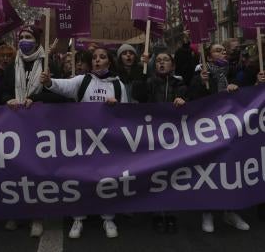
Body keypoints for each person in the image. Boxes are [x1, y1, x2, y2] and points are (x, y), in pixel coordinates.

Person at [40, 47, 127, 239]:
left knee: (108, 179)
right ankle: (78, 217)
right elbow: (60, 85)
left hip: (108, 143)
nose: (97, 60)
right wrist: (48, 82)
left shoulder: (119, 85)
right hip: (83, 141)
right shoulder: (83, 80)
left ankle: (108, 217)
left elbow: (127, 116)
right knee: (80, 178)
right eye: (94, 57)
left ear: (109, 62)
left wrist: (117, 106)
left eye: (102, 57)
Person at [189, 43, 250, 233]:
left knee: (231, 169)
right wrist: (200, 82)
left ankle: (230, 211)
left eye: (223, 50)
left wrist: (238, 87)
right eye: (217, 50)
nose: (222, 51)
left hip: (231, 129)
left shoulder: (234, 73)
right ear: (208, 57)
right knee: (210, 170)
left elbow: (250, 97)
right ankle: (207, 212)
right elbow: (193, 99)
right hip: (208, 129)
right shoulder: (200, 76)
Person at [132, 52, 187, 233]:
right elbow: (138, 95)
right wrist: (142, 68)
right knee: (156, 174)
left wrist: (183, 99)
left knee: (172, 174)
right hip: (153, 135)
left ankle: (171, 214)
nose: (162, 63)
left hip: (174, 136)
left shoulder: (179, 84)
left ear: (172, 65)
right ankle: (156, 213)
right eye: (159, 61)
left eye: (166, 60)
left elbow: (193, 101)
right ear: (155, 65)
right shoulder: (149, 83)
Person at [1, 25, 45, 237]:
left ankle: (37, 216)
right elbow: (1, 93)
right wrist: (6, 100)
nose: (24, 40)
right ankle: (17, 213)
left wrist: (35, 99)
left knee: (36, 172)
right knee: (16, 171)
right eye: (21, 37)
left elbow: (57, 93)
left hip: (40, 128)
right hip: (15, 126)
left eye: (28, 37)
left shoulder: (47, 64)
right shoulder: (11, 67)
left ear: (36, 41)